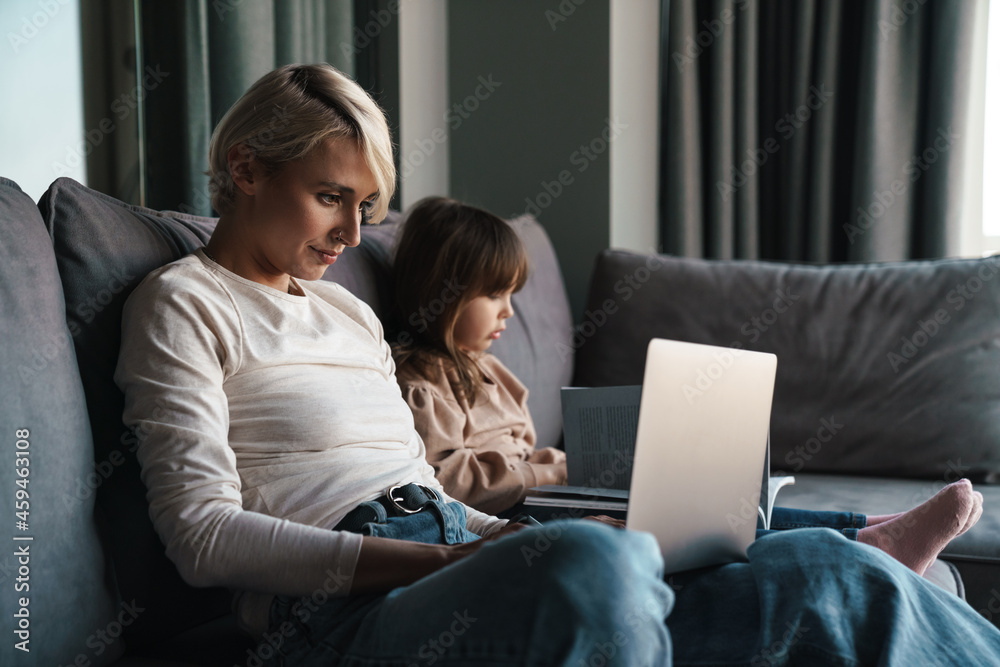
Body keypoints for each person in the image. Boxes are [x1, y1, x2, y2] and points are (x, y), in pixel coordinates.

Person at [113, 62, 1000, 666]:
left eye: (368, 206)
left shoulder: (348, 310)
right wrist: (461, 559)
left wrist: (501, 536)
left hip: (461, 544)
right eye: (331, 198)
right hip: (340, 616)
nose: (353, 234)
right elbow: (204, 538)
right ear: (245, 169)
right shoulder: (183, 303)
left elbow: (420, 477)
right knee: (594, 565)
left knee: (828, 576)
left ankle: (841, 545)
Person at [391, 195, 984, 578]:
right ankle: (864, 546)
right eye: (494, 295)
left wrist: (581, 464)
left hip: (558, 494)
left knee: (726, 500)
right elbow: (448, 482)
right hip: (527, 520)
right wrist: (554, 470)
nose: (508, 314)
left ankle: (866, 531)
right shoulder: (420, 383)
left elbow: (518, 453)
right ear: (439, 292)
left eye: (513, 296)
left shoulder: (495, 374)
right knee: (700, 521)